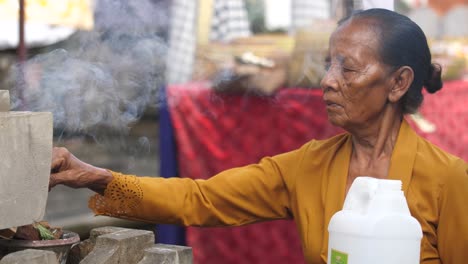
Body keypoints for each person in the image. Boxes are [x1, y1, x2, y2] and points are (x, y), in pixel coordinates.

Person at [49, 9, 468, 264]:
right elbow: (201, 198)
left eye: (348, 68)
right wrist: (92, 176)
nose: (326, 81)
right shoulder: (310, 165)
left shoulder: (447, 180)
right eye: (328, 64)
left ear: (398, 83)